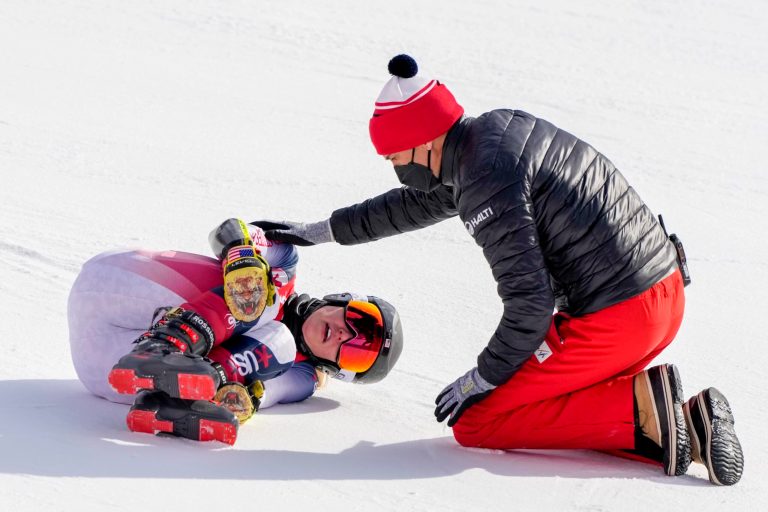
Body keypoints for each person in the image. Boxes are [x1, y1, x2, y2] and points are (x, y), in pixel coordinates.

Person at [253, 55, 743, 485]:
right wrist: (321, 231)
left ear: (423, 141)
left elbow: (529, 304)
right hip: (661, 295)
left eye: (395, 156)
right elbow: (408, 207)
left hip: (620, 317)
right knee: (543, 396)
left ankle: (647, 407)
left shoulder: (487, 176)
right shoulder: (490, 138)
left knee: (480, 420)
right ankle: (680, 424)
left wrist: (481, 378)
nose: (396, 167)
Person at [68, 219, 403, 445]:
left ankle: (162, 402)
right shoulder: (285, 264)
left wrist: (242, 400)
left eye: (358, 352)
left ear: (339, 370)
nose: (346, 335)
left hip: (102, 370)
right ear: (343, 301)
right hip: (121, 284)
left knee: (277, 350)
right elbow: (230, 229)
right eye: (360, 320)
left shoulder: (300, 377)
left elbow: (271, 390)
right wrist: (243, 257)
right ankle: (162, 347)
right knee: (266, 301)